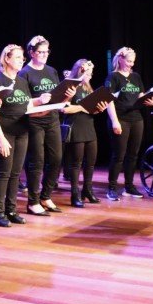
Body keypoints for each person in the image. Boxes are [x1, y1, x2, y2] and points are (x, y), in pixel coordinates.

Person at [0, 44, 51, 227]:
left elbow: (26, 104)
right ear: (6, 58)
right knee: (3, 173)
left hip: (22, 132)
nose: (21, 60)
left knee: (15, 174)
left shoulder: (21, 81)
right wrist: (0, 138)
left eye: (22, 57)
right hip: (4, 132)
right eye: (17, 57)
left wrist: (40, 103)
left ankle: (11, 210)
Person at [19, 35, 76, 215]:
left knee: (56, 158)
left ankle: (46, 195)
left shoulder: (51, 71)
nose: (44, 55)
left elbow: (57, 96)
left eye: (46, 52)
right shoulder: (24, 73)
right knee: (37, 161)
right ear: (31, 53)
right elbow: (23, 101)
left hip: (52, 119)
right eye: (40, 52)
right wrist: (38, 101)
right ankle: (33, 201)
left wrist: (69, 95)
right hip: (34, 120)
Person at [104, 47, 153, 200]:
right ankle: (112, 188)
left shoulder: (136, 76)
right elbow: (108, 101)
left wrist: (149, 100)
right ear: (120, 59)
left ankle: (129, 186)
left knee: (133, 155)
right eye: (128, 61)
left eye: (133, 62)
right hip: (121, 119)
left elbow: (140, 95)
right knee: (119, 155)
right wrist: (115, 121)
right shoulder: (113, 77)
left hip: (136, 118)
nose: (131, 64)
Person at [61, 59, 109, 207]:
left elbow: (91, 109)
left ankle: (87, 190)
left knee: (91, 162)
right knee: (76, 164)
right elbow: (64, 109)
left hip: (89, 126)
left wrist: (99, 108)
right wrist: (83, 107)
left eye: (91, 73)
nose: (90, 75)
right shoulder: (71, 85)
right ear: (80, 71)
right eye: (88, 72)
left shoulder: (88, 86)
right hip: (76, 127)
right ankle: (75, 195)